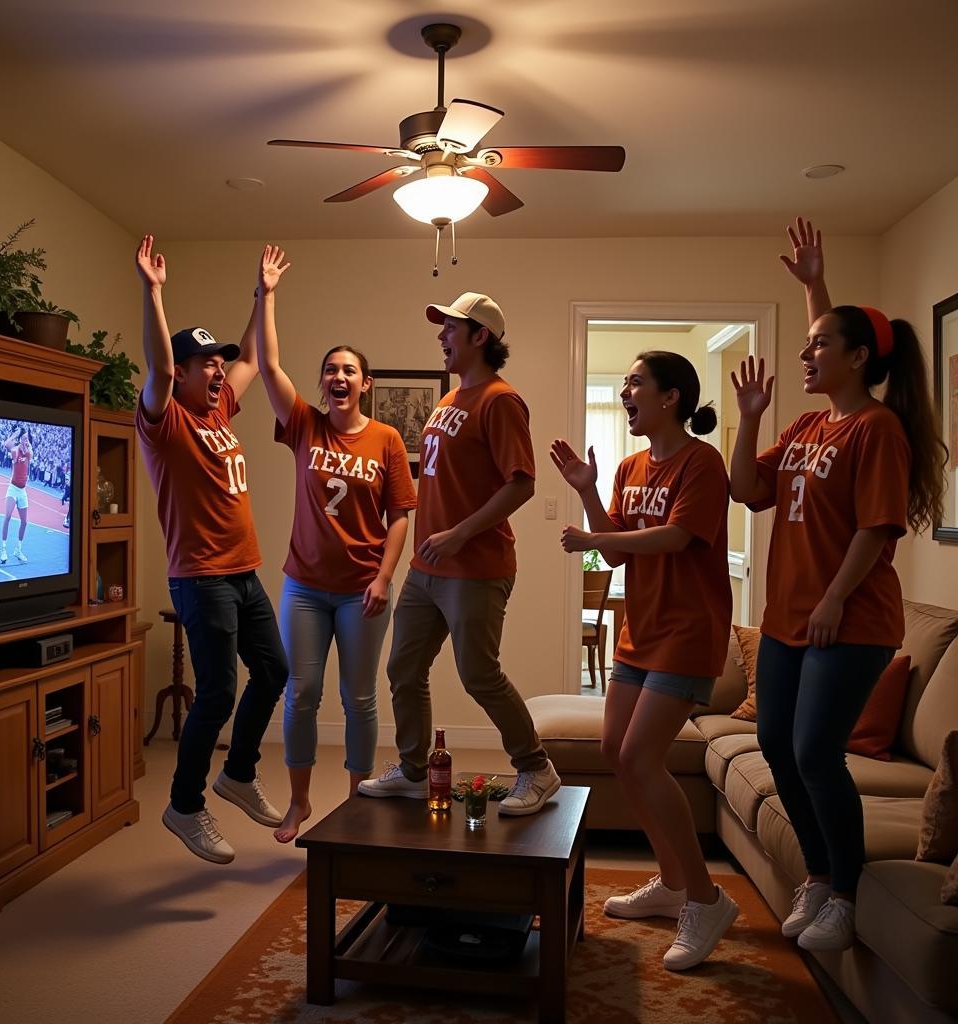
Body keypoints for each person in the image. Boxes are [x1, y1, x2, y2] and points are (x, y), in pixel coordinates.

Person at [730, 218, 948, 951]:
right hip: (789, 618)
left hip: (850, 622)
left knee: (817, 752)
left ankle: (846, 892)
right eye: (808, 340)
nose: (806, 351)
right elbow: (744, 489)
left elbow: (877, 526)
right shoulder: (804, 427)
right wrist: (748, 419)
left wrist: (832, 598)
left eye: (821, 344)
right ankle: (819, 875)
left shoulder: (876, 428)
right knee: (777, 745)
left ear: (859, 359)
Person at [552, 351, 739, 971]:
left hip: (689, 634)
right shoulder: (631, 465)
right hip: (641, 632)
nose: (626, 390)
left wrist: (595, 538)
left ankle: (707, 900)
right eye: (626, 384)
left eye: (636, 382)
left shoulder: (702, 463)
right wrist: (586, 493)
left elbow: (678, 538)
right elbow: (617, 558)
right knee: (615, 751)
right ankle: (671, 883)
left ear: (672, 398)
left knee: (639, 756)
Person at [358, 292, 561, 815]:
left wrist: (459, 534)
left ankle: (536, 768)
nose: (441, 336)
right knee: (404, 669)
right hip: (426, 568)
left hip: (475, 567)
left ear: (480, 337)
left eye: (451, 328)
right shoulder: (450, 401)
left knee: (478, 673)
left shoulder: (500, 400)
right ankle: (412, 770)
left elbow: (522, 484)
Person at [135, 234, 290, 864]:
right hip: (201, 578)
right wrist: (152, 292)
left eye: (217, 363)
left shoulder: (219, 409)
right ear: (182, 374)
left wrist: (263, 296)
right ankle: (185, 805)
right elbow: (161, 369)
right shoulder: (165, 420)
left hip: (243, 572)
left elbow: (250, 355)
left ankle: (239, 775)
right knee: (220, 693)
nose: (218, 369)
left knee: (274, 672)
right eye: (207, 364)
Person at [254, 244, 417, 843]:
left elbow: (401, 515)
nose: (339, 377)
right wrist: (267, 294)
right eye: (331, 369)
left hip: (361, 592)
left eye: (349, 370)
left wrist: (381, 577)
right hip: (302, 586)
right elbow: (270, 369)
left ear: (365, 384)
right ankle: (298, 802)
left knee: (359, 698)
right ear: (322, 383)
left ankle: (355, 803)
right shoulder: (304, 425)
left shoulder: (387, 440)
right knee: (302, 693)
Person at [0, 425, 33, 564]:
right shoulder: (15, 451)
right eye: (24, 439)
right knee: (7, 516)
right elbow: (7, 444)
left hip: (22, 490)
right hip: (13, 489)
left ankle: (18, 550)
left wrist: (25, 440)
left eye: (27, 439)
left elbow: (28, 449)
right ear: (20, 440)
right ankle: (3, 549)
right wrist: (16, 433)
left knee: (24, 522)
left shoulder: (29, 452)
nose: (26, 441)